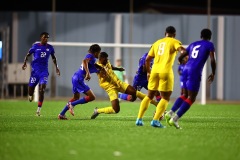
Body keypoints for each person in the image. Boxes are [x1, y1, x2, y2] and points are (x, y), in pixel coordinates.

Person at [135, 26, 186, 128]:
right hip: (165, 71)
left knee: (149, 96)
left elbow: (148, 59)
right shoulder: (174, 41)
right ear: (174, 34)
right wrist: (182, 58)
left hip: (154, 71)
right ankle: (155, 121)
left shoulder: (157, 42)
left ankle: (139, 119)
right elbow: (182, 51)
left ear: (165, 33)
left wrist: (149, 72)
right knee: (165, 97)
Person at [165, 28, 216, 129]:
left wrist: (180, 60)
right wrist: (213, 72)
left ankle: (170, 113)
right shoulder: (209, 45)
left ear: (201, 36)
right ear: (210, 37)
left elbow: (182, 55)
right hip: (195, 71)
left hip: (186, 69)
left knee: (184, 94)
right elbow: (212, 60)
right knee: (191, 98)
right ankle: (174, 119)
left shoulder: (193, 44)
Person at [90, 52, 159, 119]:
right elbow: (100, 72)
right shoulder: (98, 67)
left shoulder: (106, 62)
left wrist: (118, 69)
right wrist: (102, 72)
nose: (107, 60)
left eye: (107, 59)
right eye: (105, 59)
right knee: (116, 110)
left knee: (134, 92)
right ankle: (97, 111)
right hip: (110, 88)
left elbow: (110, 66)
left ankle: (156, 104)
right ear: (100, 59)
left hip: (118, 83)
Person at [58, 44, 101, 120]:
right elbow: (84, 61)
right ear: (95, 52)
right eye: (99, 52)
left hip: (75, 77)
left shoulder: (93, 61)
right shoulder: (90, 56)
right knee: (92, 97)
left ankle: (61, 114)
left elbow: (96, 68)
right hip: (79, 79)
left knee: (76, 97)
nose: (99, 54)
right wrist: (87, 73)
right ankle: (71, 104)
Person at [22, 32, 60, 116]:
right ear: (41, 38)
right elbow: (28, 55)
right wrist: (24, 63)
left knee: (42, 89)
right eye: (44, 37)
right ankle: (30, 95)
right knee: (31, 90)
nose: (46, 39)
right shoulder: (35, 46)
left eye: (47, 38)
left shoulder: (50, 48)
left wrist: (57, 67)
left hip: (44, 72)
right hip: (35, 72)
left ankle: (38, 110)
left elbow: (53, 57)